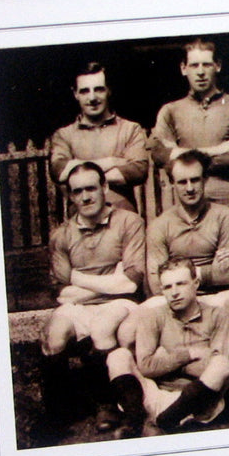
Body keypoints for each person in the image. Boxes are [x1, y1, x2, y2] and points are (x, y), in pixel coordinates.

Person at [37, 162, 146, 440]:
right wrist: (108, 282)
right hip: (83, 304)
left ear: (104, 188)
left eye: (91, 188)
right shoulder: (61, 235)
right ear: (69, 196)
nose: (85, 197)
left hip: (122, 303)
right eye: (77, 192)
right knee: (54, 336)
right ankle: (57, 415)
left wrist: (79, 279)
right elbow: (62, 292)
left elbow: (130, 282)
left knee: (103, 327)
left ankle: (107, 405)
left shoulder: (129, 222)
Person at [107, 257, 229, 434]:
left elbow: (214, 367)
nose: (174, 292)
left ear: (195, 283)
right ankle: (136, 420)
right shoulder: (152, 316)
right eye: (168, 287)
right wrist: (188, 354)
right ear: (162, 290)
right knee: (118, 355)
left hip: (198, 403)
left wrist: (164, 359)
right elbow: (145, 368)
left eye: (181, 284)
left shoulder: (218, 315)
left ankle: (164, 423)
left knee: (222, 365)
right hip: (156, 395)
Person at [143, 150, 229, 346]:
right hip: (173, 295)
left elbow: (226, 275)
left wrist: (177, 276)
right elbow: (156, 283)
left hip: (219, 294)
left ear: (205, 180)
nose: (190, 188)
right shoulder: (159, 225)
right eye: (182, 182)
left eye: (195, 180)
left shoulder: (226, 217)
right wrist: (209, 271)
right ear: (172, 184)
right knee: (131, 329)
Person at [148, 38, 229, 227]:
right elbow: (160, 155)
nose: (200, 72)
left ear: (218, 66)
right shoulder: (170, 111)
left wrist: (181, 153)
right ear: (183, 68)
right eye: (194, 65)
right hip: (186, 209)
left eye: (206, 64)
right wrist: (217, 149)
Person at [47, 62, 150, 214]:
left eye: (99, 89)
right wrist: (112, 162)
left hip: (123, 221)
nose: (92, 97)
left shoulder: (130, 129)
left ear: (109, 90)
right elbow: (59, 171)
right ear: (75, 93)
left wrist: (80, 176)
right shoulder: (63, 135)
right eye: (84, 91)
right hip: (82, 224)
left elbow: (138, 171)